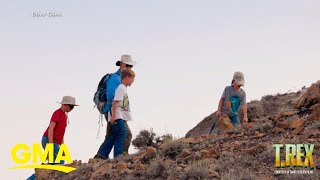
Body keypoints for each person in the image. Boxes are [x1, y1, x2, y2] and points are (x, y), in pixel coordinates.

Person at [94, 55, 136, 159]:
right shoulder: (115, 78)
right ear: (121, 64)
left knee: (112, 136)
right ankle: (121, 157)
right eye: (127, 65)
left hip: (116, 113)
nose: (129, 68)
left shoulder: (120, 80)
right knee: (125, 134)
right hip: (115, 113)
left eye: (131, 66)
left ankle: (100, 157)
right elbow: (111, 96)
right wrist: (115, 114)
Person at [27, 96, 78, 180]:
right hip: (48, 140)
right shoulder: (57, 113)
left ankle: (31, 179)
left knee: (51, 165)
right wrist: (50, 145)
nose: (72, 109)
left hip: (55, 142)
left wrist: (63, 147)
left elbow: (61, 134)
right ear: (65, 105)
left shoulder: (64, 117)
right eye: (71, 106)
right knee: (61, 163)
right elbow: (51, 129)